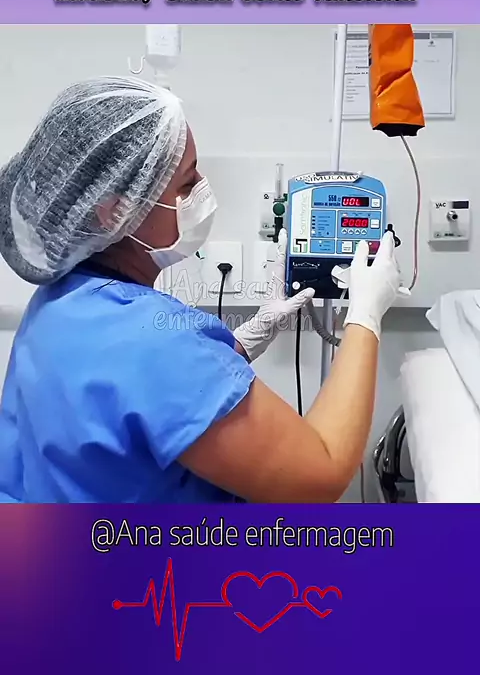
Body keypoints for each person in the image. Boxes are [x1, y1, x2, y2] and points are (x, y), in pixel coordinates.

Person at [0, 76, 401, 504]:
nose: (202, 189)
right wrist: (365, 313)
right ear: (115, 211)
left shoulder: (58, 303)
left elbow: (140, 396)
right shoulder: (156, 345)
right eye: (187, 182)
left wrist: (247, 338)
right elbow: (321, 476)